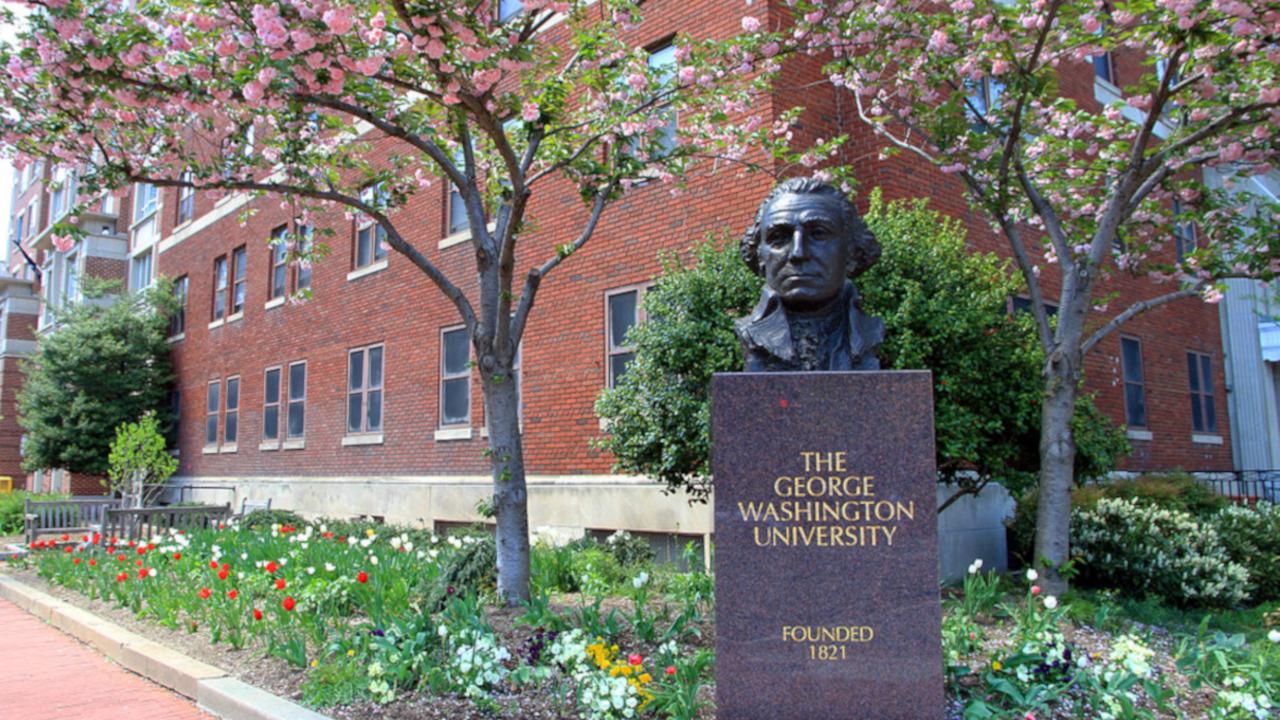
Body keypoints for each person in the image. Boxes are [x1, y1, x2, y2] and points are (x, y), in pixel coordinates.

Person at [736, 177, 884, 372]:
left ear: (851, 250)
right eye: (779, 237)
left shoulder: (870, 331)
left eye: (818, 234)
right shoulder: (750, 334)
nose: (798, 253)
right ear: (760, 256)